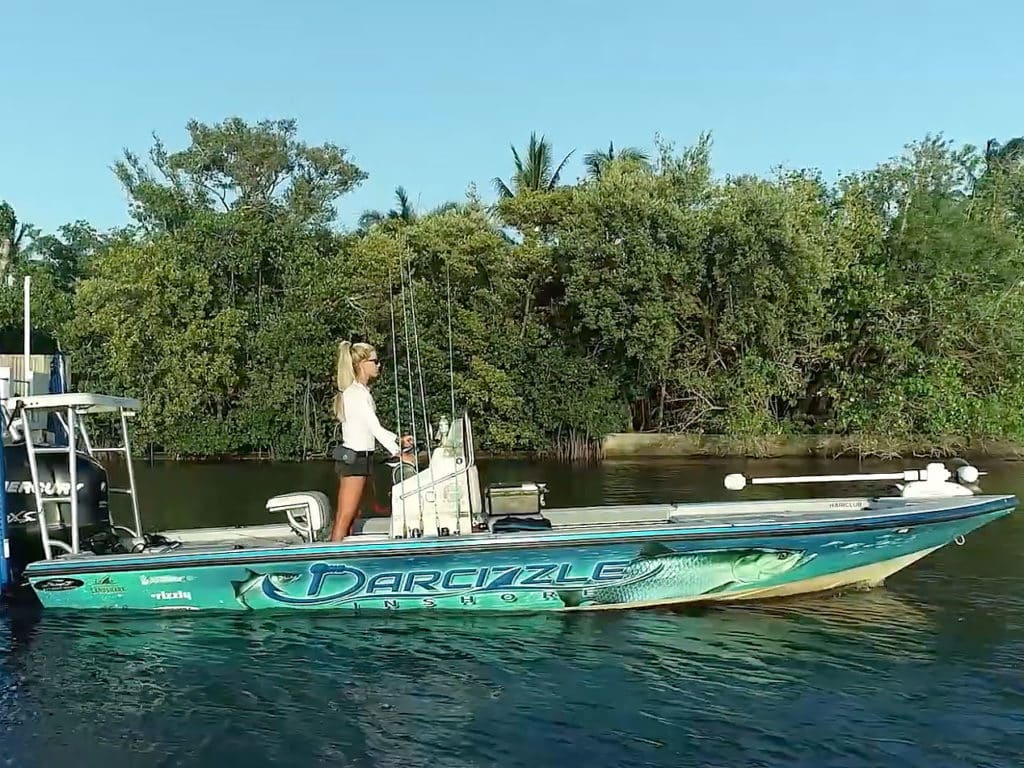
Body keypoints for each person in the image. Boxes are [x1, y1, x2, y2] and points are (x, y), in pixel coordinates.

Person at [330, 341, 414, 541]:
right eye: (375, 361)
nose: (379, 366)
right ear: (361, 364)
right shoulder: (356, 394)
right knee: (345, 517)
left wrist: (398, 440)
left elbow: (369, 427)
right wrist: (399, 453)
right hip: (355, 460)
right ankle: (331, 559)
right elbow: (374, 427)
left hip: (362, 459)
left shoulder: (361, 393)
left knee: (353, 516)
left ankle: (343, 554)